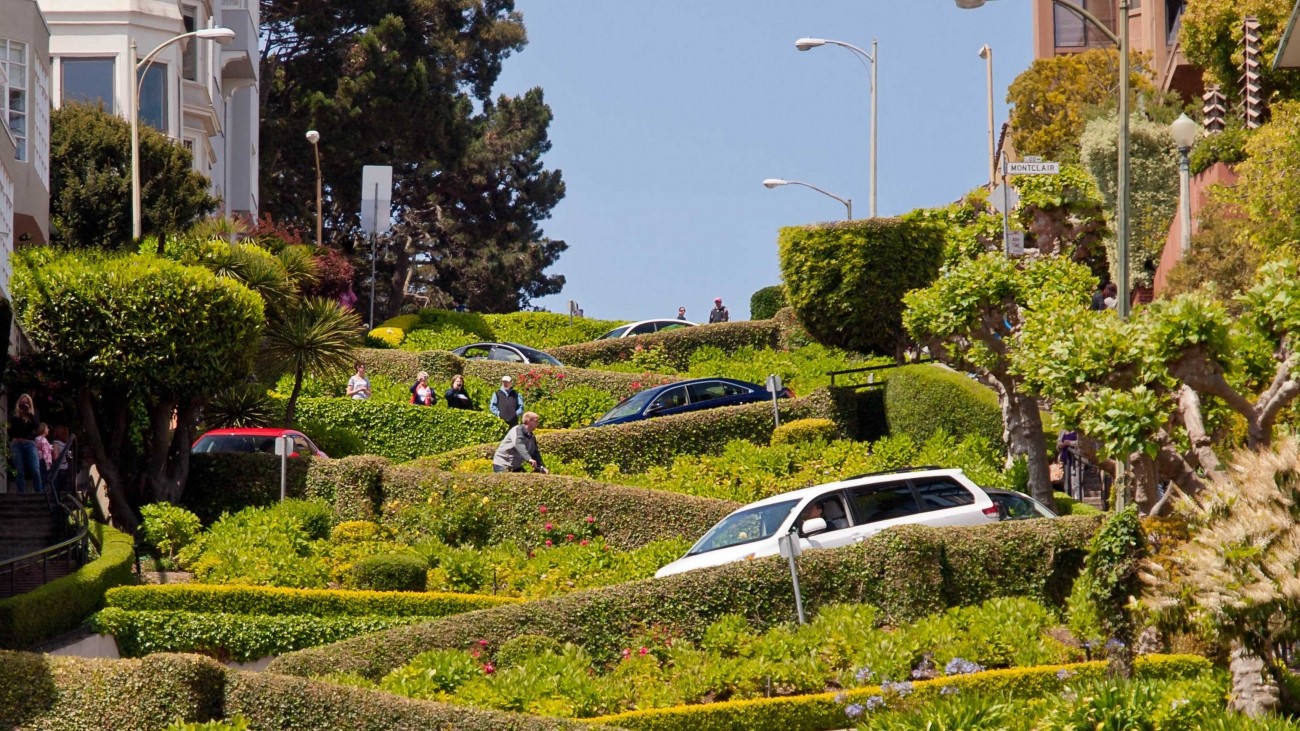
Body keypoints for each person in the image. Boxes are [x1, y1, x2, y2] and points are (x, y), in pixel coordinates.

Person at [9, 393, 42, 493]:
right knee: (20, 471)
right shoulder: (15, 415)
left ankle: (39, 492)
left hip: (29, 444)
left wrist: (29, 414)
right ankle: (21, 493)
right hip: (17, 444)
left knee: (35, 469)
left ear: (30, 403)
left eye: (26, 402)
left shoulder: (34, 413)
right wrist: (20, 414)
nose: (24, 404)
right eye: (22, 402)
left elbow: (36, 427)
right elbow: (13, 429)